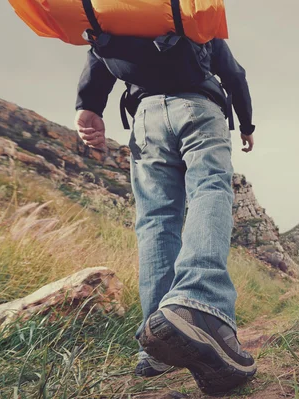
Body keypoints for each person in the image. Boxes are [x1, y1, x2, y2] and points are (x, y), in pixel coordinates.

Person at [74, 36, 257, 395]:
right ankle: (199, 304)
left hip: (146, 118)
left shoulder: (119, 19)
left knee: (156, 219)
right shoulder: (188, 17)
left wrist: (89, 105)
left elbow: (98, 55)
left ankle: (155, 346)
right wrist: (247, 124)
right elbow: (233, 73)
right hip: (199, 107)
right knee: (209, 190)